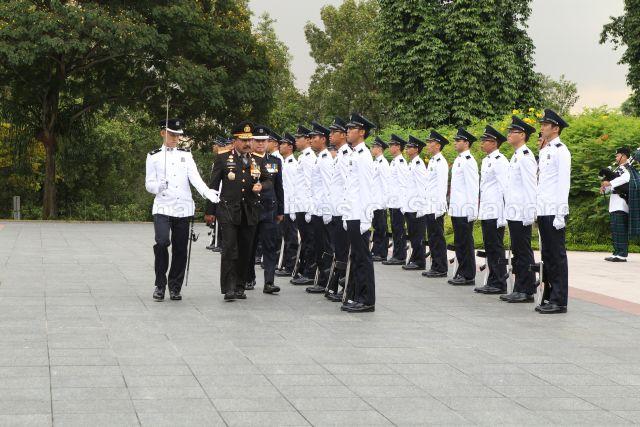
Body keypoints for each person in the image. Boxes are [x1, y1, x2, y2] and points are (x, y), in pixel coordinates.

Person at [145, 118, 220, 301]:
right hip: (162, 206)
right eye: (172, 134)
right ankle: (160, 284)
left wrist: (207, 193)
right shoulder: (153, 156)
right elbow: (148, 184)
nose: (175, 139)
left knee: (180, 249)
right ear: (163, 133)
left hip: (182, 208)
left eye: (178, 135)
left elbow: (195, 178)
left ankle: (175, 286)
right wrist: (158, 186)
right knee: (162, 243)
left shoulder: (186, 155)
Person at [204, 121, 272, 301]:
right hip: (228, 210)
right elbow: (213, 186)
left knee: (245, 250)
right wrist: (209, 211)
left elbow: (268, 180)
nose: (247, 144)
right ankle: (229, 287)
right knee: (229, 249)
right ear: (235, 141)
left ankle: (240, 286)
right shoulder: (223, 158)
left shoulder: (256, 159)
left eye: (249, 140)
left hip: (249, 211)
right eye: (243, 140)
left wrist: (261, 185)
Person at [338, 113, 377, 313]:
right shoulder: (354, 153)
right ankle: (356, 295)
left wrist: (365, 218)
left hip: (359, 215)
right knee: (356, 257)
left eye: (351, 129)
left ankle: (367, 299)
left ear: (361, 132)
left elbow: (366, 188)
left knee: (363, 258)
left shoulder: (363, 156)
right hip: (352, 213)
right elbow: (350, 188)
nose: (347, 132)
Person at [535, 109, 571, 314]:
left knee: (557, 256)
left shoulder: (561, 151)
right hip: (543, 209)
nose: (541, 127)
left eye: (545, 125)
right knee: (547, 256)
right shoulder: (546, 150)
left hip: (554, 210)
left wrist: (560, 213)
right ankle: (549, 296)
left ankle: (560, 300)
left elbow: (563, 183)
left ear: (555, 128)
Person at [500, 116, 538, 303]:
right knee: (517, 251)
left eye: (511, 132)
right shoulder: (516, 155)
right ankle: (519, 287)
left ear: (522, 135)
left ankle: (527, 289)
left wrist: (530, 212)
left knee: (523, 251)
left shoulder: (525, 157)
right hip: (514, 211)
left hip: (522, 212)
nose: (508, 134)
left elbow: (531, 186)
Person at [245, 125, 283, 295]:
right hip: (251, 209)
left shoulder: (274, 161)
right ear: (251, 141)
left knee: (269, 246)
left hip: (269, 210)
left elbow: (279, 187)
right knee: (250, 245)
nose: (260, 144)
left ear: (268, 142)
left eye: (264, 141)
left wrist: (281, 210)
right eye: (257, 140)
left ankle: (269, 281)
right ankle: (249, 277)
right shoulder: (245, 159)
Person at [475, 125, 509, 295]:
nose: (482, 144)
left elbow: (505, 188)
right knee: (489, 246)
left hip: (496, 211)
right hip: (487, 210)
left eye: (485, 141)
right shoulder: (486, 160)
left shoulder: (501, 161)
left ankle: (500, 281)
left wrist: (503, 215)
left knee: (496, 246)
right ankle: (492, 280)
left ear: (494, 143)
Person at [447, 128, 479, 286]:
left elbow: (472, 187)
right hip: (457, 208)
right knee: (459, 242)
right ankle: (462, 271)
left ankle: (468, 275)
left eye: (458, 140)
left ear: (466, 143)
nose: (455, 143)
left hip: (465, 209)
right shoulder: (459, 159)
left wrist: (472, 211)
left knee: (466, 242)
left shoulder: (468, 161)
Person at [306, 122, 335, 294]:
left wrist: (326, 210)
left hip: (322, 211)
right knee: (319, 247)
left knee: (324, 248)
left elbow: (328, 186)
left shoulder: (325, 160)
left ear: (322, 139)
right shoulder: (320, 158)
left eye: (313, 137)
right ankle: (322, 280)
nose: (311, 140)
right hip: (317, 209)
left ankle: (325, 281)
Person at [325, 117, 352, 302]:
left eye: (333, 132)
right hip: (335, 210)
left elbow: (348, 186)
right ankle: (336, 285)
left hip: (342, 212)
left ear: (342, 135)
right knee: (337, 250)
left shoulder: (347, 156)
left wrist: (344, 211)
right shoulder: (340, 155)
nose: (330, 135)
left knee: (342, 252)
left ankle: (344, 287)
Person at [291, 125, 317, 285]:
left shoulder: (309, 158)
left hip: (306, 207)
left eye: (298, 138)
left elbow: (310, 184)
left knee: (310, 241)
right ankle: (305, 270)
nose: (295, 141)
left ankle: (310, 272)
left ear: (307, 140)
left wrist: (309, 209)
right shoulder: (303, 157)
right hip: (300, 205)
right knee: (306, 241)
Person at [422, 131, 450, 279]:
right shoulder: (433, 161)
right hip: (429, 205)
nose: (428, 145)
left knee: (437, 237)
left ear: (438, 145)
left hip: (436, 206)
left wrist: (439, 207)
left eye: (431, 143)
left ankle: (441, 267)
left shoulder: (441, 162)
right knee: (432, 237)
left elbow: (441, 186)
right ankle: (435, 265)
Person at [382, 134, 409, 266]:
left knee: (399, 229)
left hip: (399, 202)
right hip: (393, 202)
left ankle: (400, 256)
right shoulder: (394, 162)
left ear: (398, 147)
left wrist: (403, 203)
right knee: (395, 229)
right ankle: (396, 254)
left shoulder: (401, 162)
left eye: (392, 145)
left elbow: (404, 184)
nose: (390, 147)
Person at [402, 135, 428, 270]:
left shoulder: (419, 164)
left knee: (418, 236)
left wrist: (421, 207)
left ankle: (419, 261)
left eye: (409, 147)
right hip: (409, 206)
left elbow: (422, 186)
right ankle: (415, 258)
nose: (406, 149)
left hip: (416, 207)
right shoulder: (411, 163)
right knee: (413, 235)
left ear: (416, 149)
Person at [601, 147, 632, 262]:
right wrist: (605, 187)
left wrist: (610, 182)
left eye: (618, 155)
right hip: (615, 202)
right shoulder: (618, 168)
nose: (616, 157)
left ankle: (622, 254)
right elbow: (613, 184)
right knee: (615, 229)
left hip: (621, 203)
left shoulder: (627, 168)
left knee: (621, 229)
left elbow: (626, 178)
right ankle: (617, 253)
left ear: (624, 156)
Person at [275, 133, 299, 277]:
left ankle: (290, 266)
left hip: (291, 207)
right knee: (286, 237)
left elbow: (295, 189)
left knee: (291, 238)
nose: (280, 145)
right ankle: (285, 264)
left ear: (290, 147)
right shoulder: (284, 163)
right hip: (285, 207)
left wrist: (293, 209)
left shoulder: (293, 165)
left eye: (283, 144)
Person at [206, 136, 231, 252]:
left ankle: (219, 243)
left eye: (216, 145)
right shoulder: (219, 159)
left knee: (221, 222)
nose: (214, 146)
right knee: (218, 222)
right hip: (218, 194)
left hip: (223, 195)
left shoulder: (226, 159)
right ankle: (217, 242)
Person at [371, 137, 391, 262]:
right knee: (376, 227)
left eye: (373, 147)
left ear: (379, 148)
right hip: (374, 201)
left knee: (381, 228)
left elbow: (385, 183)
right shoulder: (375, 162)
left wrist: (385, 202)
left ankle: (381, 252)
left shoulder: (383, 163)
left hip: (380, 201)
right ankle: (376, 250)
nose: (371, 149)